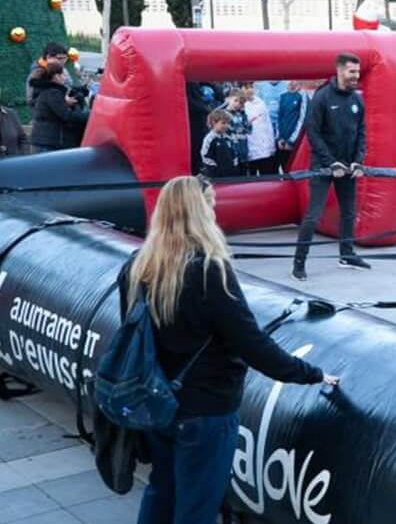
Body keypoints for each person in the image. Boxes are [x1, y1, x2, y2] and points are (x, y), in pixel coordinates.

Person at [120, 176, 337, 524]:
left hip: (156, 401)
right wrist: (311, 374)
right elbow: (253, 344)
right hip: (206, 410)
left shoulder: (137, 267)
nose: (214, 213)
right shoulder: (209, 272)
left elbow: (135, 336)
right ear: (200, 213)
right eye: (211, 205)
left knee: (161, 490)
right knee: (196, 508)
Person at [292, 53, 371, 281]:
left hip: (347, 166)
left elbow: (361, 132)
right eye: (352, 71)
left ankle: (346, 255)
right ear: (340, 71)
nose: (356, 75)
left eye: (357, 71)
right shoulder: (323, 97)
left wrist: (358, 160)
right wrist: (330, 162)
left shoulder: (356, 99)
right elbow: (313, 132)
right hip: (323, 166)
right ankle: (299, 263)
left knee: (348, 213)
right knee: (313, 216)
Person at [30, 62, 89, 153]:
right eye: (62, 74)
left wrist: (66, 103)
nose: (64, 78)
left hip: (46, 140)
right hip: (50, 142)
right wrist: (90, 115)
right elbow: (67, 115)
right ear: (56, 76)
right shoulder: (53, 93)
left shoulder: (47, 91)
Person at [239, 82, 277, 175]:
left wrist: (271, 146)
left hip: (264, 151)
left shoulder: (261, 103)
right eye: (246, 87)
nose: (249, 90)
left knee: (267, 178)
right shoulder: (239, 107)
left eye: (251, 87)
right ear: (241, 89)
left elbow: (268, 125)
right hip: (249, 153)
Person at [275, 81, 308, 170]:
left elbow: (302, 119)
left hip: (294, 142)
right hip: (282, 141)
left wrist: (291, 140)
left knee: (293, 170)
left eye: (294, 81)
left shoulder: (302, 96)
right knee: (283, 168)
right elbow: (279, 118)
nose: (292, 83)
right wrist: (279, 138)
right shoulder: (282, 96)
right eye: (290, 81)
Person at [26, 41, 70, 106]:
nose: (63, 62)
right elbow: (31, 101)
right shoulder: (37, 72)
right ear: (48, 57)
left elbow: (68, 85)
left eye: (65, 59)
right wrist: (62, 100)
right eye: (59, 58)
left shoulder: (61, 68)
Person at [200, 109, 240, 178]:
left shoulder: (228, 138)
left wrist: (234, 167)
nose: (226, 126)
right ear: (214, 123)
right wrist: (215, 169)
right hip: (216, 176)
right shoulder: (209, 138)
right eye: (223, 123)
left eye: (228, 123)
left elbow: (234, 153)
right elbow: (205, 156)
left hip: (230, 174)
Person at [219, 91, 251, 169]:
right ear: (229, 99)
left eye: (241, 103)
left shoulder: (243, 114)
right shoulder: (222, 114)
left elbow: (249, 130)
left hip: (243, 151)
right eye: (235, 100)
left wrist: (248, 125)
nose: (237, 104)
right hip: (229, 151)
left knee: (244, 172)